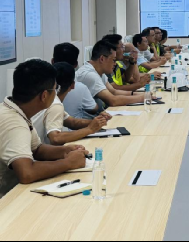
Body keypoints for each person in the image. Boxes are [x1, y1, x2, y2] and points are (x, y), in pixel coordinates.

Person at [0, 60, 89, 198]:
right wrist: (68, 163)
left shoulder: (15, 110)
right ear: (44, 95)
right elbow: (26, 173)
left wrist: (65, 151)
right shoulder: (14, 123)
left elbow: (37, 149)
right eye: (55, 89)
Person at [32, 62, 112, 145]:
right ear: (73, 85)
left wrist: (97, 122)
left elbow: (72, 122)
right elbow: (55, 138)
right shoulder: (55, 104)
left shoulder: (50, 100)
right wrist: (89, 130)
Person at [76, 40, 145, 108]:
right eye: (114, 60)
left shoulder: (99, 72)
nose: (115, 63)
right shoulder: (90, 75)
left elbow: (114, 92)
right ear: (102, 59)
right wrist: (142, 98)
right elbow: (112, 100)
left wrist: (141, 94)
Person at [52, 43, 102, 119]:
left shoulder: (43, 87)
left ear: (52, 61)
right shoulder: (79, 87)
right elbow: (94, 109)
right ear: (76, 64)